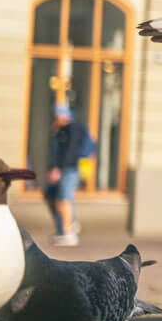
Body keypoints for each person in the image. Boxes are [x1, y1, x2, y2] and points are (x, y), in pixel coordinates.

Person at [46, 103, 88, 246]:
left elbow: (69, 152)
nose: (55, 118)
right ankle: (65, 228)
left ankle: (68, 233)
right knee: (54, 198)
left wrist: (57, 168)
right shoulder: (61, 130)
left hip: (68, 170)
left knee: (64, 199)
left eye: (57, 115)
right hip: (63, 169)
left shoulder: (72, 129)